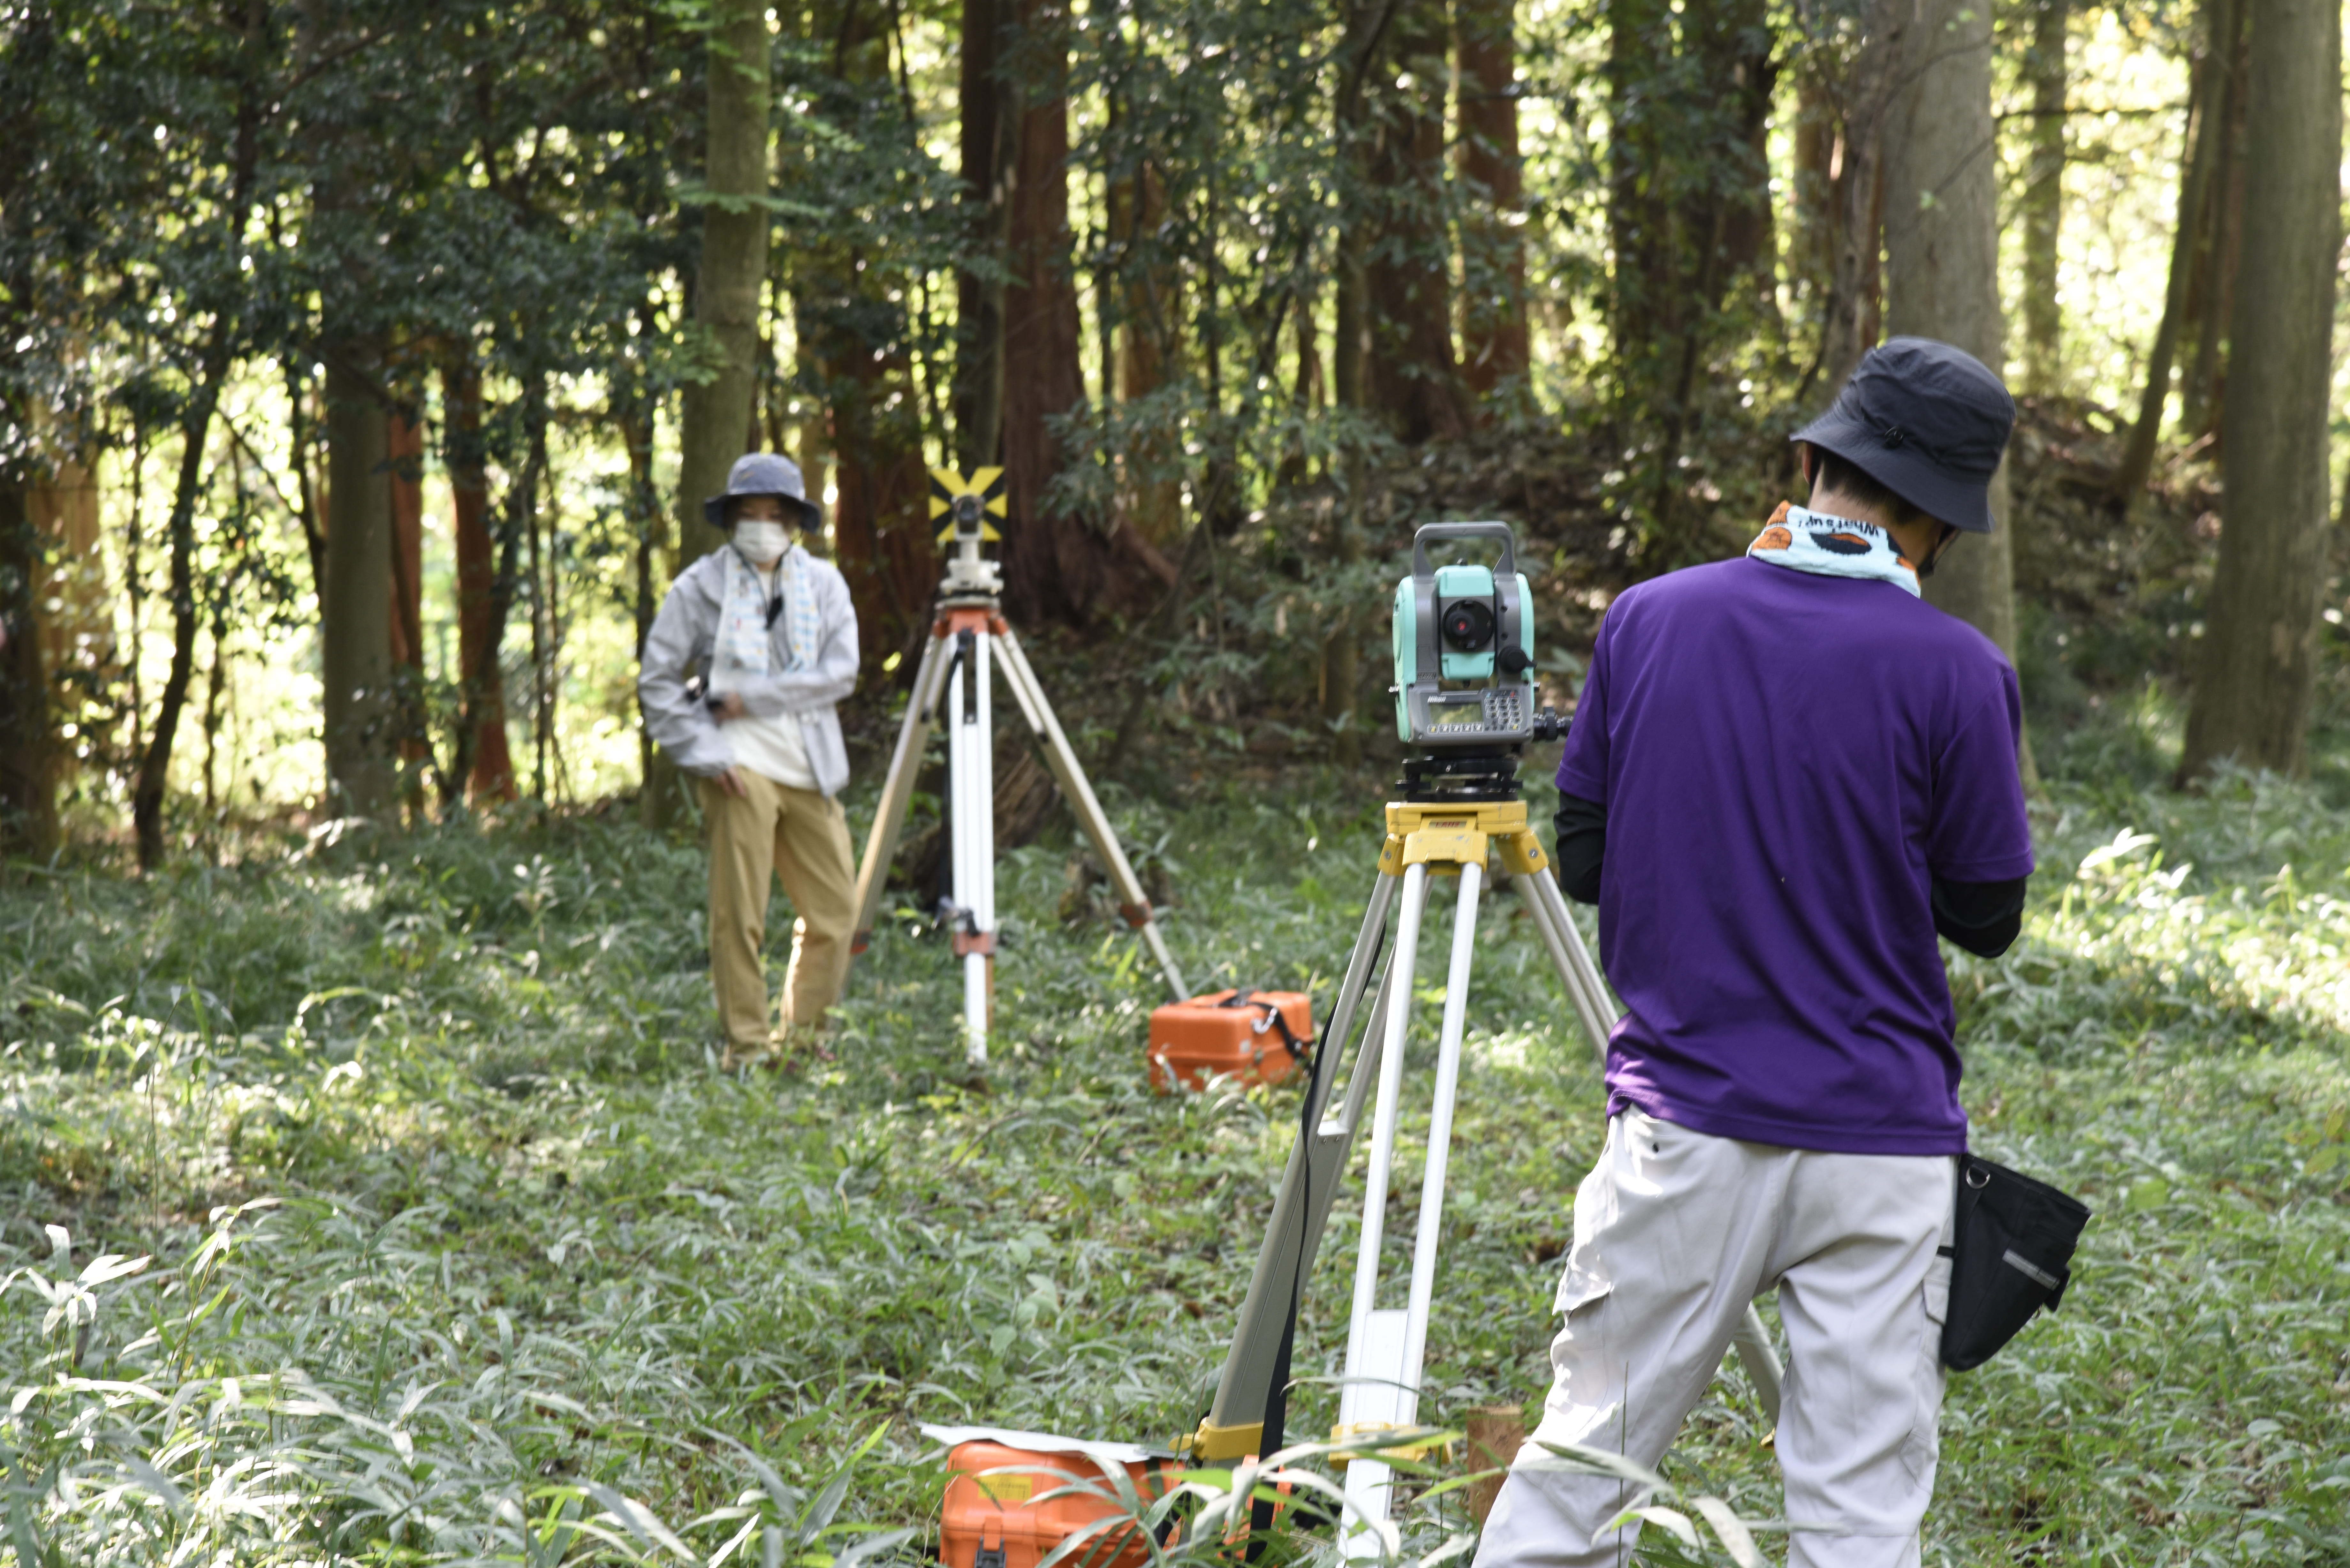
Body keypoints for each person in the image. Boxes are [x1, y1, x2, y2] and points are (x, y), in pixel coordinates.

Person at [1476, 338, 2035, 1568]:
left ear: (1809, 461)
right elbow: (1989, 913)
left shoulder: (1648, 621)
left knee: (1580, 1477)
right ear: (1939, 524)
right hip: (1881, 1149)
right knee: (1856, 1521)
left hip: (1688, 1129)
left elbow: (1582, 857)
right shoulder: (1960, 671)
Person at [639, 453, 860, 1068]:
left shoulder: (823, 584)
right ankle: (747, 1046)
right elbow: (658, 684)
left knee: (836, 912)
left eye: (774, 514)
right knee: (741, 915)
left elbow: (840, 673)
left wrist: (751, 697)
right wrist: (706, 753)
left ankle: (804, 1038)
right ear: (731, 520)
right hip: (736, 767)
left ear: (794, 522)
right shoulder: (699, 587)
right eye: (749, 514)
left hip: (810, 764)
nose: (762, 526)